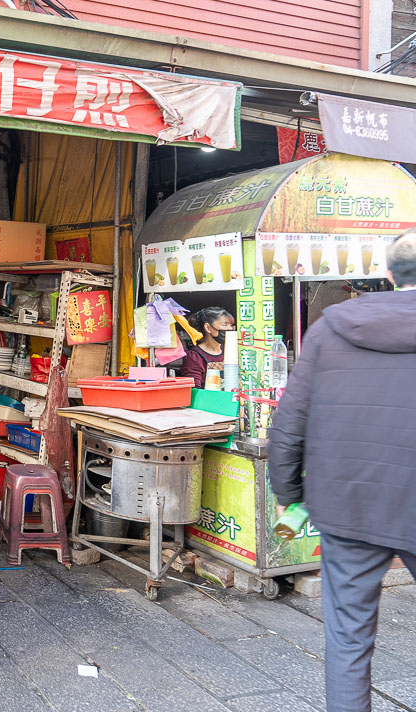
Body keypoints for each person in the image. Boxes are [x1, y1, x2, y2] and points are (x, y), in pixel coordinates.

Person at [269, 227, 416, 712]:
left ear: (388, 274)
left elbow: (290, 419)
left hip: (347, 502)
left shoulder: (334, 327)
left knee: (349, 638)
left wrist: (288, 493)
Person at [177, 306, 235, 387]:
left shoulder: (232, 351)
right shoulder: (194, 356)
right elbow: (194, 390)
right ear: (208, 327)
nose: (230, 328)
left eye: (231, 325)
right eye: (225, 324)